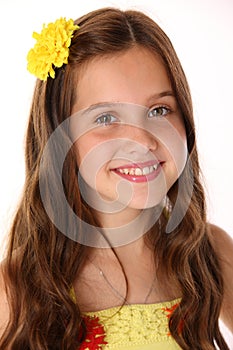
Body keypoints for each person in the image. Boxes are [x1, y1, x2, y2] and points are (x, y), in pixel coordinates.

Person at [0, 7, 232, 350]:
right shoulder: (18, 289)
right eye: (106, 117)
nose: (141, 140)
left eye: (159, 110)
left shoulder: (210, 255)